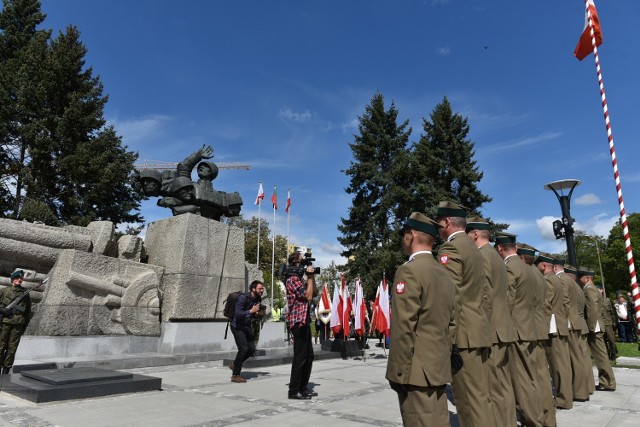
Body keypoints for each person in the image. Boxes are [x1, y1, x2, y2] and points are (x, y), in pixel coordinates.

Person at [385, 212, 455, 426]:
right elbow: (452, 322)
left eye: (404, 234)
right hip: (438, 367)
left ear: (412, 234)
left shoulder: (409, 271)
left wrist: (397, 372)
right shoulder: (443, 273)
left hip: (414, 372)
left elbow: (404, 327)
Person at [435, 201, 494, 427]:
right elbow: (485, 295)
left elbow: (449, 296)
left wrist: (447, 337)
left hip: (463, 336)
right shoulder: (474, 249)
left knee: (469, 402)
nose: (438, 229)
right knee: (480, 398)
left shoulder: (451, 248)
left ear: (447, 222)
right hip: (477, 330)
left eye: (439, 223)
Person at [466, 219, 518, 427]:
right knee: (503, 384)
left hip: (492, 330)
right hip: (502, 327)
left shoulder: (482, 257)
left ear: (475, 234)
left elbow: (484, 296)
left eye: (468, 234)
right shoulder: (496, 258)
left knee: (494, 385)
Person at [494, 232, 541, 425]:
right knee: (530, 377)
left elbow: (508, 301)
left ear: (499, 248)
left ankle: (532, 420)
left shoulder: (510, 268)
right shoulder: (525, 267)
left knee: (521, 380)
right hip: (527, 327)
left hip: (516, 329)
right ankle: (537, 417)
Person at [536, 253, 573, 409]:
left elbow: (546, 305)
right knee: (562, 364)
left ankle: (563, 399)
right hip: (559, 325)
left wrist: (540, 327)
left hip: (553, 327)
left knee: (557, 365)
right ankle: (565, 396)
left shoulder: (549, 281)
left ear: (544, 265)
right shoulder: (556, 280)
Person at [285, 252, 318, 400]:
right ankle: (293, 390)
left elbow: (314, 292)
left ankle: (303, 388)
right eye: (302, 262)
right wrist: (309, 277)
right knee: (300, 357)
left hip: (304, 320)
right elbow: (308, 296)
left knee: (309, 356)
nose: (304, 264)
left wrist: (312, 277)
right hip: (297, 321)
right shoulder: (292, 279)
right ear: (295, 263)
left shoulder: (299, 279)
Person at [578, 267, 616, 392]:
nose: (579, 279)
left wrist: (591, 327)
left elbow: (592, 310)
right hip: (596, 325)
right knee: (600, 355)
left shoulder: (590, 290)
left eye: (581, 276)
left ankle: (608, 382)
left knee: (600, 356)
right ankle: (606, 381)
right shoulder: (590, 289)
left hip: (594, 326)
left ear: (587, 278)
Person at [229, 280, 265, 383]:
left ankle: (235, 364)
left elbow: (254, 313)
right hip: (237, 326)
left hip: (246, 326)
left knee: (251, 350)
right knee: (243, 349)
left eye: (262, 288)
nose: (262, 290)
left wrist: (257, 313)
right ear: (253, 289)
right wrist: (251, 311)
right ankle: (235, 375)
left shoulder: (257, 299)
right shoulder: (243, 298)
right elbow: (238, 314)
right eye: (260, 288)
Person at [0, 270, 32, 375]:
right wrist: (2, 310)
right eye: (17, 278)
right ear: (13, 279)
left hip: (18, 324)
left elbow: (27, 312)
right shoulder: (4, 291)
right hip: (4, 323)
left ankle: (6, 369)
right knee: (1, 345)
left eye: (21, 279)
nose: (19, 280)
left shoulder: (25, 294)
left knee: (12, 348)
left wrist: (24, 326)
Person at [599, 286, 618, 361]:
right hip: (600, 324)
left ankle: (613, 354)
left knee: (611, 340)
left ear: (602, 290)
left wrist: (614, 322)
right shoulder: (595, 301)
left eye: (599, 290)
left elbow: (613, 312)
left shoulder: (608, 300)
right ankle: (606, 355)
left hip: (608, 323)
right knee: (603, 341)